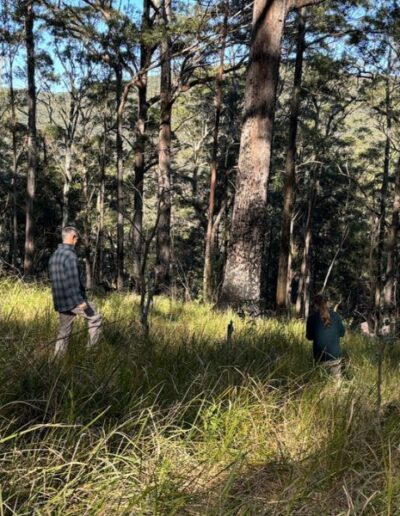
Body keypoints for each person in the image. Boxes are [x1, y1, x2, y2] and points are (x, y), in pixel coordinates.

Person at [49, 226, 102, 356]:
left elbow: (53, 279)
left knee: (64, 332)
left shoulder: (54, 256)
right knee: (96, 318)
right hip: (73, 300)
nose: (77, 241)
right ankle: (91, 354)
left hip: (60, 300)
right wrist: (80, 301)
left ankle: (57, 361)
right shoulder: (70, 256)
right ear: (73, 238)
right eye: (77, 238)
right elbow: (73, 281)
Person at [306, 294, 345, 378]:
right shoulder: (336, 316)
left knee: (320, 384)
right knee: (336, 384)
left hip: (319, 358)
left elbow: (309, 337)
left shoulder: (311, 318)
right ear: (327, 303)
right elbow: (342, 333)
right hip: (335, 357)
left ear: (315, 305)